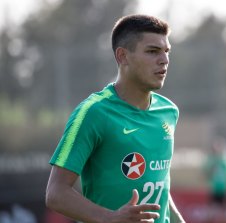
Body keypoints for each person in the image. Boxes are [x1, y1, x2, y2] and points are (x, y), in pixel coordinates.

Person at [45, 14, 185, 223]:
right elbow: (56, 193)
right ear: (122, 56)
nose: (164, 60)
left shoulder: (168, 111)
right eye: (152, 51)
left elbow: (160, 187)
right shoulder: (93, 113)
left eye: (166, 51)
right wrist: (110, 218)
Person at [203, 137, 226, 223]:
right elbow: (206, 174)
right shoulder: (211, 161)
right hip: (215, 190)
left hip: (225, 190)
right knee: (211, 213)